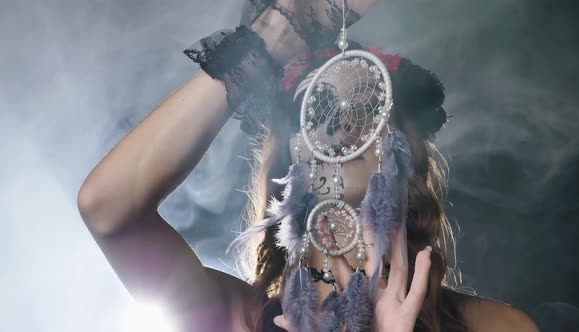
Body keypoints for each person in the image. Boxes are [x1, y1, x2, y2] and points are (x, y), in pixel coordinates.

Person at [77, 1, 540, 331]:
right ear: (289, 157)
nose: (341, 125)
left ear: (404, 149)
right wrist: (271, 39)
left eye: (365, 103)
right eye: (315, 109)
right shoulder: (237, 319)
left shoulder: (497, 326)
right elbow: (108, 209)